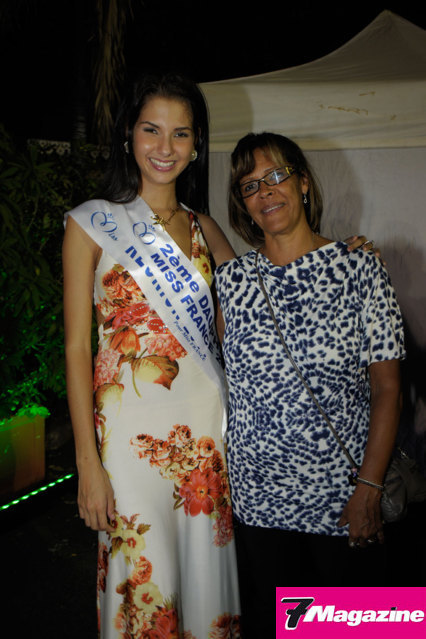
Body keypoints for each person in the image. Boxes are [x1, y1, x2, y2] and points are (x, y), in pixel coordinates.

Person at [62, 72, 241, 639]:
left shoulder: (206, 229)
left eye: (180, 133)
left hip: (205, 434)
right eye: (151, 130)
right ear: (128, 135)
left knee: (203, 578)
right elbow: (76, 348)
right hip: (127, 440)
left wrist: (336, 257)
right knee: (145, 581)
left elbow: (249, 318)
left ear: (196, 145)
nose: (165, 147)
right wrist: (88, 464)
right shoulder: (91, 223)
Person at [214, 132, 405, 638]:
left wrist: (369, 489)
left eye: (276, 176)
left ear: (302, 182)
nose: (266, 192)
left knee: (358, 627)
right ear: (242, 203)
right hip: (258, 501)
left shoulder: (360, 267)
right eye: (250, 185)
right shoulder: (230, 282)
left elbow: (388, 389)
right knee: (277, 627)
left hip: (342, 499)